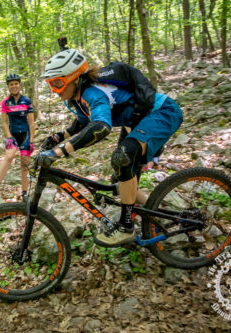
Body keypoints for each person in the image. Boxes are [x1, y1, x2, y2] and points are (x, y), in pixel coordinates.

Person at [37, 48, 183, 247]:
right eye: (50, 84)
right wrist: (56, 138)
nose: (55, 90)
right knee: (121, 181)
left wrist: (58, 152)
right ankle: (157, 212)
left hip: (162, 112)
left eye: (57, 83)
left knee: (122, 158)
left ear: (73, 78)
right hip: (139, 121)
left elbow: (101, 126)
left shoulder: (92, 93)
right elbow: (81, 123)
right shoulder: (78, 98)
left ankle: (126, 227)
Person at [0, 74, 35, 201]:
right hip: (13, 135)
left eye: (16, 83)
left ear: (19, 85)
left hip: (26, 135)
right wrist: (9, 137)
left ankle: (25, 193)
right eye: (11, 84)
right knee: (9, 157)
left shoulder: (27, 101)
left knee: (25, 165)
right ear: (8, 86)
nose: (14, 86)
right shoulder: (5, 102)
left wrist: (31, 140)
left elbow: (31, 122)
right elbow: (4, 122)